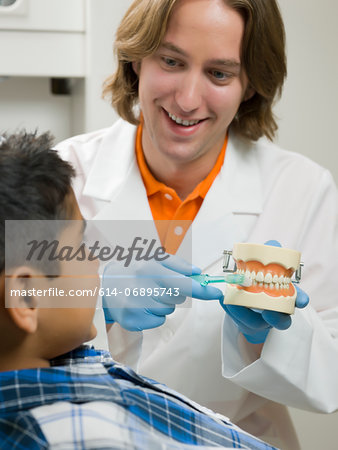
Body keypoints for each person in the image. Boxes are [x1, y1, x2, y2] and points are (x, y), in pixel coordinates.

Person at [55, 0, 338, 448]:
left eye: (220, 74)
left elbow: (333, 379)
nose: (187, 100)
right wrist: (96, 298)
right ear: (136, 60)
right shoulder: (60, 173)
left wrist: (269, 335)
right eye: (171, 61)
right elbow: (11, 312)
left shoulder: (303, 188)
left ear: (250, 86)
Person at [0, 131, 278, 450]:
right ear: (24, 296)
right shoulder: (73, 436)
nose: (94, 257)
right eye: (79, 244)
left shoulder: (65, 364)